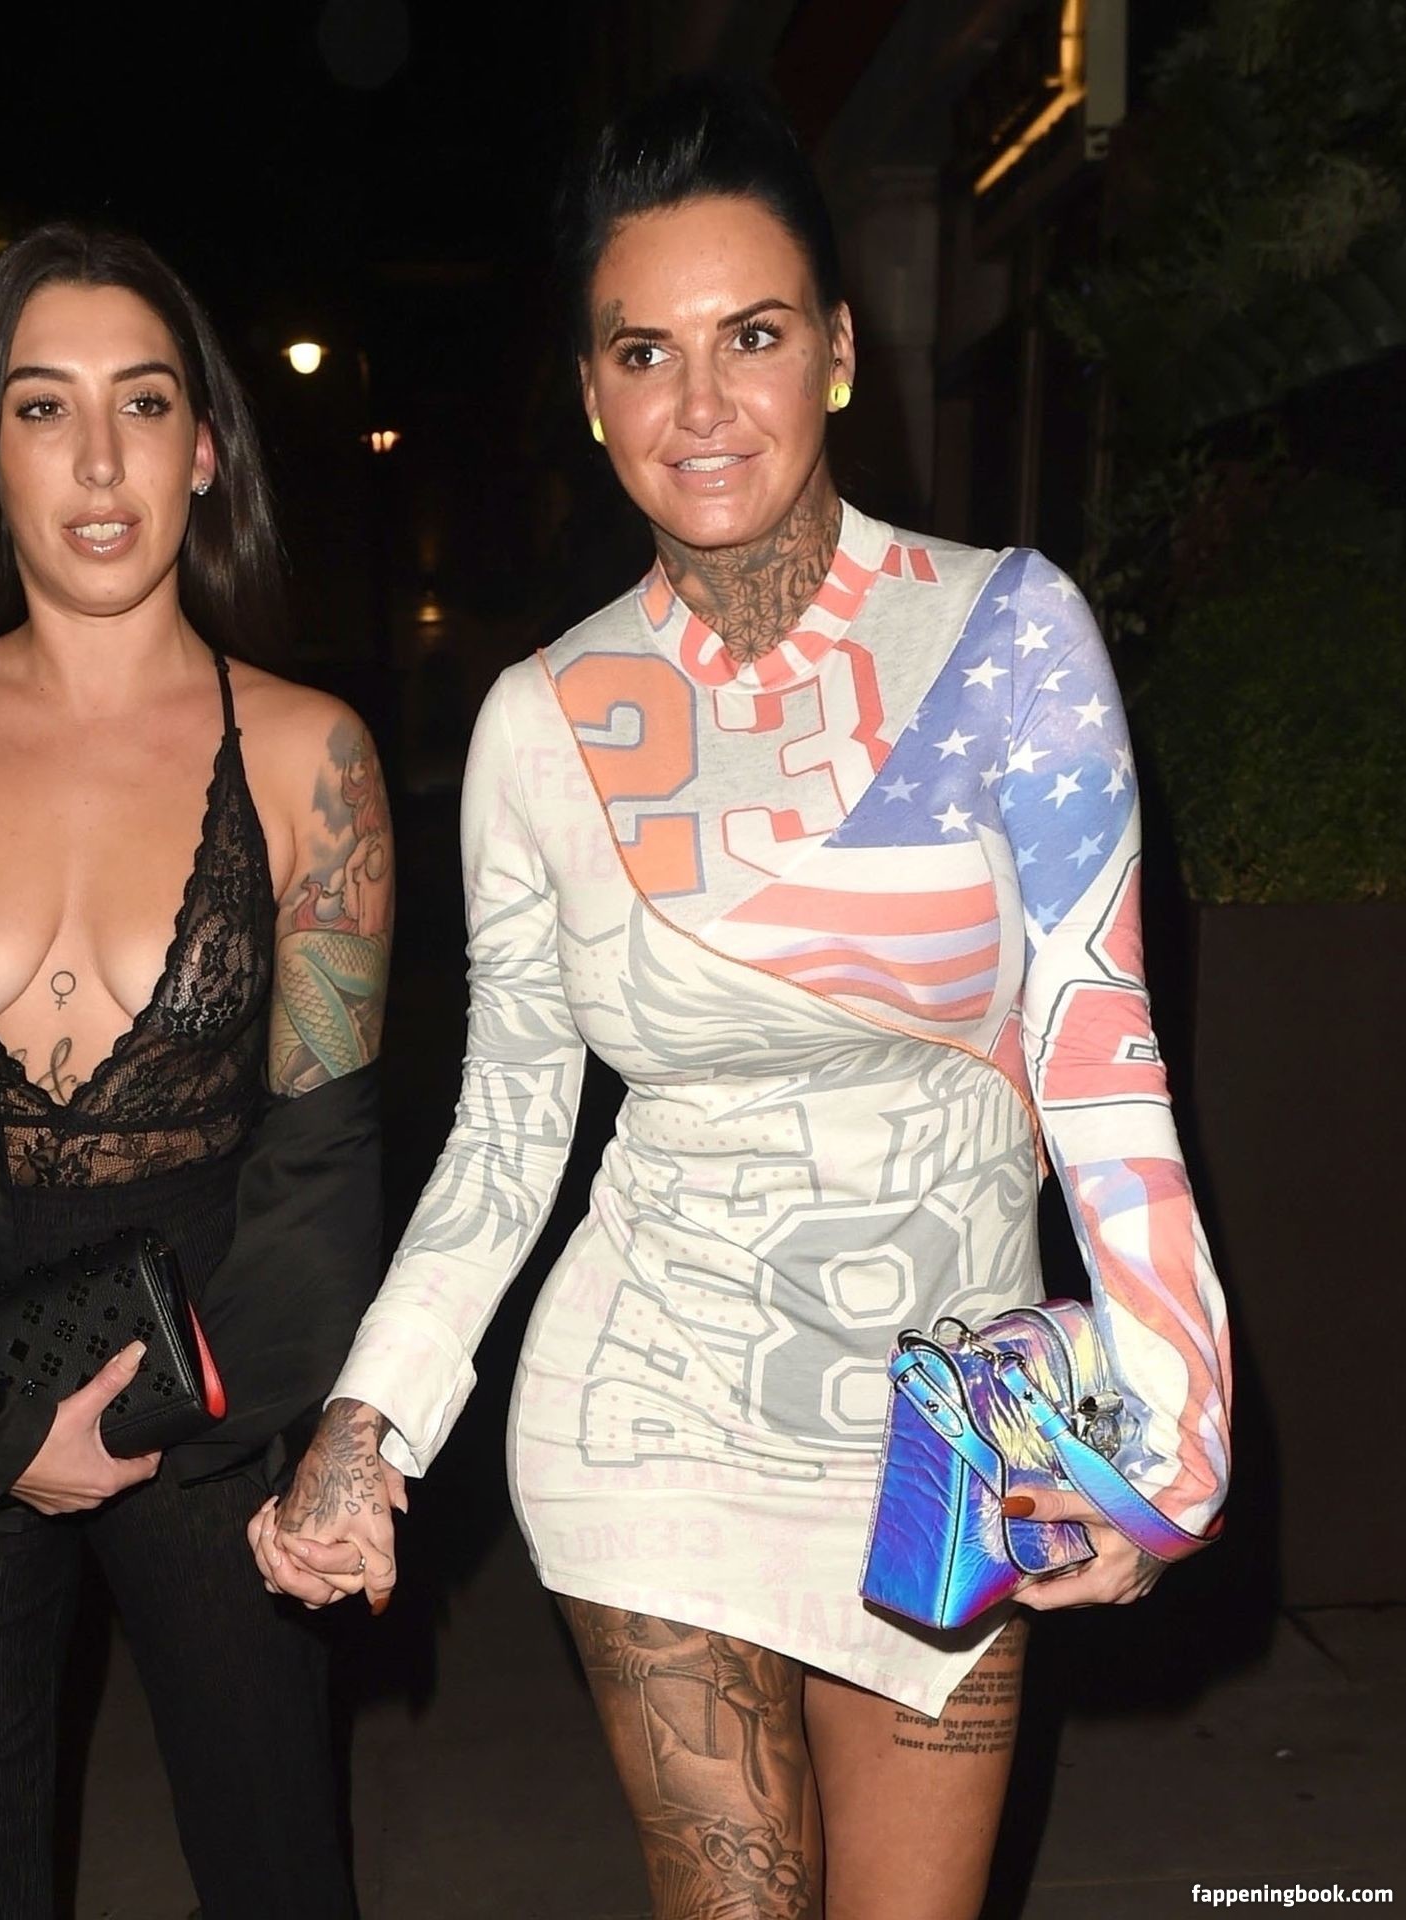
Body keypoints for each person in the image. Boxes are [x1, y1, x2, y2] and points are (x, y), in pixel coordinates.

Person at [254, 79, 1231, 1920]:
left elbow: (1096, 1044)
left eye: (753, 336)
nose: (700, 403)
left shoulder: (1006, 636)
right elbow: (507, 1127)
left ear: (839, 352)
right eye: (645, 352)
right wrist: (366, 1425)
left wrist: (1167, 1433)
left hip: (950, 1427)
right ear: (591, 392)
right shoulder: (542, 721)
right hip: (652, 1415)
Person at [0, 224, 390, 1919]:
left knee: (275, 1871)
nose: (100, 459)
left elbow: (322, 1162)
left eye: (144, 401)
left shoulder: (310, 753)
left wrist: (174, 1407)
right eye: (43, 407)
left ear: (205, 449)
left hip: (213, 1372)